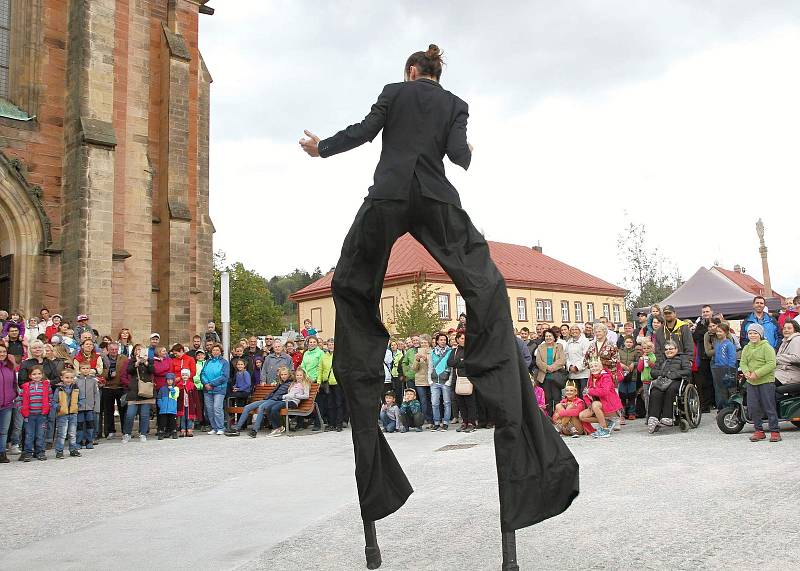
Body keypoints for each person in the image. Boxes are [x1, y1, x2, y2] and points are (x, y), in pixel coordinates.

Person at [299, 44, 577, 558]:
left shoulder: (394, 93)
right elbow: (458, 155)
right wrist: (464, 150)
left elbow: (362, 132)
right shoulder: (454, 103)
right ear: (436, 74)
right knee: (485, 284)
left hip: (386, 197)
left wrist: (322, 149)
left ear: (410, 71)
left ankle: (362, 361)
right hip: (435, 199)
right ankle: (495, 358)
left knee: (352, 283)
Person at [225, 366, 298, 437]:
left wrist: (272, 397)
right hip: (269, 399)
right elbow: (273, 392)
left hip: (276, 400)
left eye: (285, 374)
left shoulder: (291, 383)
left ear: (289, 375)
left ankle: (255, 430)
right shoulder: (280, 383)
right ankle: (237, 428)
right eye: (282, 374)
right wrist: (267, 396)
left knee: (261, 407)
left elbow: (287, 395)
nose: (283, 376)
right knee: (247, 407)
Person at [740, 323, 779, 442]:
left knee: (769, 406)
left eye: (755, 333)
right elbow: (743, 362)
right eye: (750, 333)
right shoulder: (747, 347)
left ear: (760, 334)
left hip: (766, 381)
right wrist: (746, 372)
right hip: (751, 382)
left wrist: (756, 374)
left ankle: (774, 431)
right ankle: (759, 431)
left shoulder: (767, 347)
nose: (752, 335)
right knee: (753, 407)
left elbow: (771, 364)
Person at [646, 341, 691, 433]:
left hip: (677, 381)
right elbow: (653, 372)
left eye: (671, 349)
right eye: (666, 349)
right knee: (655, 391)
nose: (668, 351)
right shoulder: (661, 359)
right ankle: (653, 418)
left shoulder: (683, 358)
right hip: (662, 381)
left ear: (676, 349)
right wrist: (663, 374)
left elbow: (687, 371)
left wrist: (674, 374)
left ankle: (668, 417)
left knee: (671, 390)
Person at [578, 359, 623, 438]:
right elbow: (585, 393)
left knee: (595, 404)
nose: (594, 368)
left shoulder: (606, 376)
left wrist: (590, 391)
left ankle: (604, 430)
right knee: (582, 416)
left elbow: (604, 391)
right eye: (591, 366)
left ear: (601, 367)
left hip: (609, 406)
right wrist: (589, 403)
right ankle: (607, 422)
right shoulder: (591, 378)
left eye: (596, 366)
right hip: (598, 405)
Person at [123, 345, 156, 443]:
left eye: (141, 350)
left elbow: (153, 371)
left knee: (145, 414)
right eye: (138, 349)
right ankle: (127, 433)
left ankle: (143, 433)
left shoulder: (149, 360)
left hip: (146, 391)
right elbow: (129, 371)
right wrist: (137, 363)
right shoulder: (132, 361)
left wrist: (145, 362)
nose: (139, 351)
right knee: (130, 414)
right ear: (134, 351)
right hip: (134, 391)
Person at [448, 331, 476, 432]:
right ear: (457, 340)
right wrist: (462, 361)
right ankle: (464, 422)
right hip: (458, 379)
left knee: (470, 402)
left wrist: (460, 362)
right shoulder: (454, 351)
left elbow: (472, 363)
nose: (463, 340)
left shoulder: (472, 350)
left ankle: (471, 423)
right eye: (461, 338)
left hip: (469, 378)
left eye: (465, 338)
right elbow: (450, 362)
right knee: (460, 402)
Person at [535, 330, 566, 415]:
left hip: (556, 377)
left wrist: (552, 367)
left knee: (557, 398)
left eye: (550, 336)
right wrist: (546, 367)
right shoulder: (540, 347)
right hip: (544, 377)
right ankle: (548, 417)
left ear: (554, 337)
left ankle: (558, 417)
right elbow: (538, 361)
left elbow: (562, 360)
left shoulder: (559, 346)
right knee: (547, 399)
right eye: (546, 336)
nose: (548, 338)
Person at [201, 344, 230, 435]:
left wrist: (212, 384)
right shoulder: (207, 361)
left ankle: (220, 427)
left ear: (221, 352)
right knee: (209, 409)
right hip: (207, 389)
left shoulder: (224, 362)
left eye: (217, 350)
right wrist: (205, 383)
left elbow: (224, 376)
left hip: (219, 389)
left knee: (217, 408)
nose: (215, 352)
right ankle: (214, 427)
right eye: (214, 350)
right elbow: (202, 373)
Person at [52, 367, 81, 459]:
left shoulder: (76, 388)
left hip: (73, 414)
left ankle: (73, 449)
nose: (69, 380)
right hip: (62, 414)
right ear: (62, 378)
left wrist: (77, 405)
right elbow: (53, 401)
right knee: (62, 433)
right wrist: (58, 407)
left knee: (72, 433)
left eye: (71, 378)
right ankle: (59, 451)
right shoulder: (59, 389)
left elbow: (82, 399)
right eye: (67, 377)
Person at [692, 305, 715, 413]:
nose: (705, 313)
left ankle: (714, 402)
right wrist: (706, 333)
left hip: (715, 357)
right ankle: (705, 404)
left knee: (714, 381)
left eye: (707, 311)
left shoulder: (716, 321)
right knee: (703, 383)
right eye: (704, 312)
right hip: (703, 357)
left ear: (711, 312)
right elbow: (696, 336)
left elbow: (717, 334)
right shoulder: (699, 325)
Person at [428, 332, 453, 430]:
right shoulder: (432, 352)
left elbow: (451, 367)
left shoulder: (450, 351)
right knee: (434, 403)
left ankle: (446, 422)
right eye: (441, 340)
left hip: (445, 380)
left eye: (444, 340)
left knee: (446, 402)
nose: (443, 342)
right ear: (437, 341)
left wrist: (449, 381)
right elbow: (430, 366)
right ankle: (437, 422)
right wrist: (429, 380)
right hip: (434, 381)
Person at [102, 342, 127, 439]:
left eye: (116, 349)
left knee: (123, 410)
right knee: (108, 411)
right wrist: (108, 375)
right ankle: (110, 431)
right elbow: (101, 371)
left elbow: (126, 370)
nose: (114, 351)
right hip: (107, 387)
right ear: (108, 349)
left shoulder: (123, 358)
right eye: (112, 349)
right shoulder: (104, 358)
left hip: (120, 387)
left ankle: (125, 431)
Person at [710, 322, 737, 410]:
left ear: (726, 332)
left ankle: (729, 408)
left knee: (728, 390)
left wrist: (730, 371)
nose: (718, 333)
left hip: (726, 369)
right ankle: (721, 408)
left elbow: (732, 359)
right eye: (717, 331)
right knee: (720, 391)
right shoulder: (717, 343)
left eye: (720, 331)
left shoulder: (729, 344)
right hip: (718, 369)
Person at [319, 338, 343, 432]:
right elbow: (320, 369)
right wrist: (319, 381)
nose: (330, 346)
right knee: (329, 404)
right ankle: (331, 424)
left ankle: (339, 424)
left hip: (337, 383)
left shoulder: (339, 356)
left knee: (338, 404)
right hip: (327, 383)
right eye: (329, 345)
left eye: (332, 344)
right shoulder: (324, 356)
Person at [75, 361, 99, 449]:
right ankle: (79, 441)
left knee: (90, 425)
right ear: (80, 369)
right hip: (79, 407)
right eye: (83, 368)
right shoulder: (76, 381)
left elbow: (96, 394)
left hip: (90, 407)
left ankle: (89, 441)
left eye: (87, 368)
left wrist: (96, 406)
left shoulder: (93, 381)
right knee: (79, 425)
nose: (85, 370)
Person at [0, 345, 18, 462]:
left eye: (4, 352)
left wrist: (14, 394)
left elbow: (14, 383)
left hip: (7, 405)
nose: (2, 354)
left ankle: (2, 453)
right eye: (0, 352)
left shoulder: (10, 367)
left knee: (3, 431)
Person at [412, 335, 433, 424]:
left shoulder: (432, 352)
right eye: (422, 343)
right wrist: (416, 360)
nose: (423, 344)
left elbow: (433, 366)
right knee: (423, 401)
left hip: (430, 380)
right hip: (420, 381)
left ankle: (432, 418)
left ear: (429, 343)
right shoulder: (417, 353)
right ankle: (425, 418)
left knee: (431, 400)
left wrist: (426, 359)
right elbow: (414, 369)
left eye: (425, 342)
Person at [565, 325, 591, 395]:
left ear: (580, 331)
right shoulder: (568, 342)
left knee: (584, 395)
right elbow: (566, 356)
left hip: (583, 374)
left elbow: (586, 356)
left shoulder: (585, 341)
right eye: (572, 329)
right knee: (574, 395)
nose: (574, 331)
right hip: (572, 374)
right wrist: (570, 366)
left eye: (576, 329)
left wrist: (577, 367)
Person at [617, 335, 638, 420]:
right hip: (622, 376)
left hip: (632, 376)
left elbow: (638, 361)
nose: (629, 344)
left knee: (632, 395)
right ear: (624, 342)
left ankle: (631, 412)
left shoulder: (635, 352)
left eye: (630, 342)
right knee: (622, 394)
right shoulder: (619, 351)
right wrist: (621, 365)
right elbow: (616, 361)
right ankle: (622, 412)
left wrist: (634, 364)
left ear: (633, 343)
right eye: (627, 342)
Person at [775, 319, 800, 388]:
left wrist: (779, 358)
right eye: (784, 328)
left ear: (795, 330)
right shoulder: (784, 341)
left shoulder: (797, 339)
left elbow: (797, 358)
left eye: (789, 328)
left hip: (792, 373)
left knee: (766, 382)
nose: (786, 330)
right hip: (782, 371)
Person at [177, 367, 201, 437]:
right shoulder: (179, 385)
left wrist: (195, 404)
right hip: (182, 404)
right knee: (183, 418)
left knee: (189, 417)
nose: (185, 376)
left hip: (190, 404)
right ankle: (183, 430)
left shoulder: (192, 385)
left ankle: (189, 430)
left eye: (186, 375)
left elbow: (195, 396)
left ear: (188, 376)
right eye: (183, 375)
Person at [156, 373, 179, 440]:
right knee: (162, 422)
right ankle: (161, 432)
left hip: (172, 409)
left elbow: (175, 396)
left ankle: (174, 432)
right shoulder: (162, 389)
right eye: (168, 380)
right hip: (163, 409)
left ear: (173, 380)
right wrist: (161, 406)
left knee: (172, 422)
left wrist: (171, 389)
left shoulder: (176, 388)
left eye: (171, 380)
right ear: (166, 380)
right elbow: (159, 398)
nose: (169, 381)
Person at [637, 340, 657, 415]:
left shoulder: (654, 357)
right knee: (646, 397)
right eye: (644, 348)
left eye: (648, 348)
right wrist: (641, 360)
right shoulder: (642, 358)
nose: (646, 350)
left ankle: (654, 413)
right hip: (645, 380)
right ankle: (648, 414)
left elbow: (655, 367)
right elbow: (639, 369)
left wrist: (649, 363)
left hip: (653, 380)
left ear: (652, 348)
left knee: (654, 397)